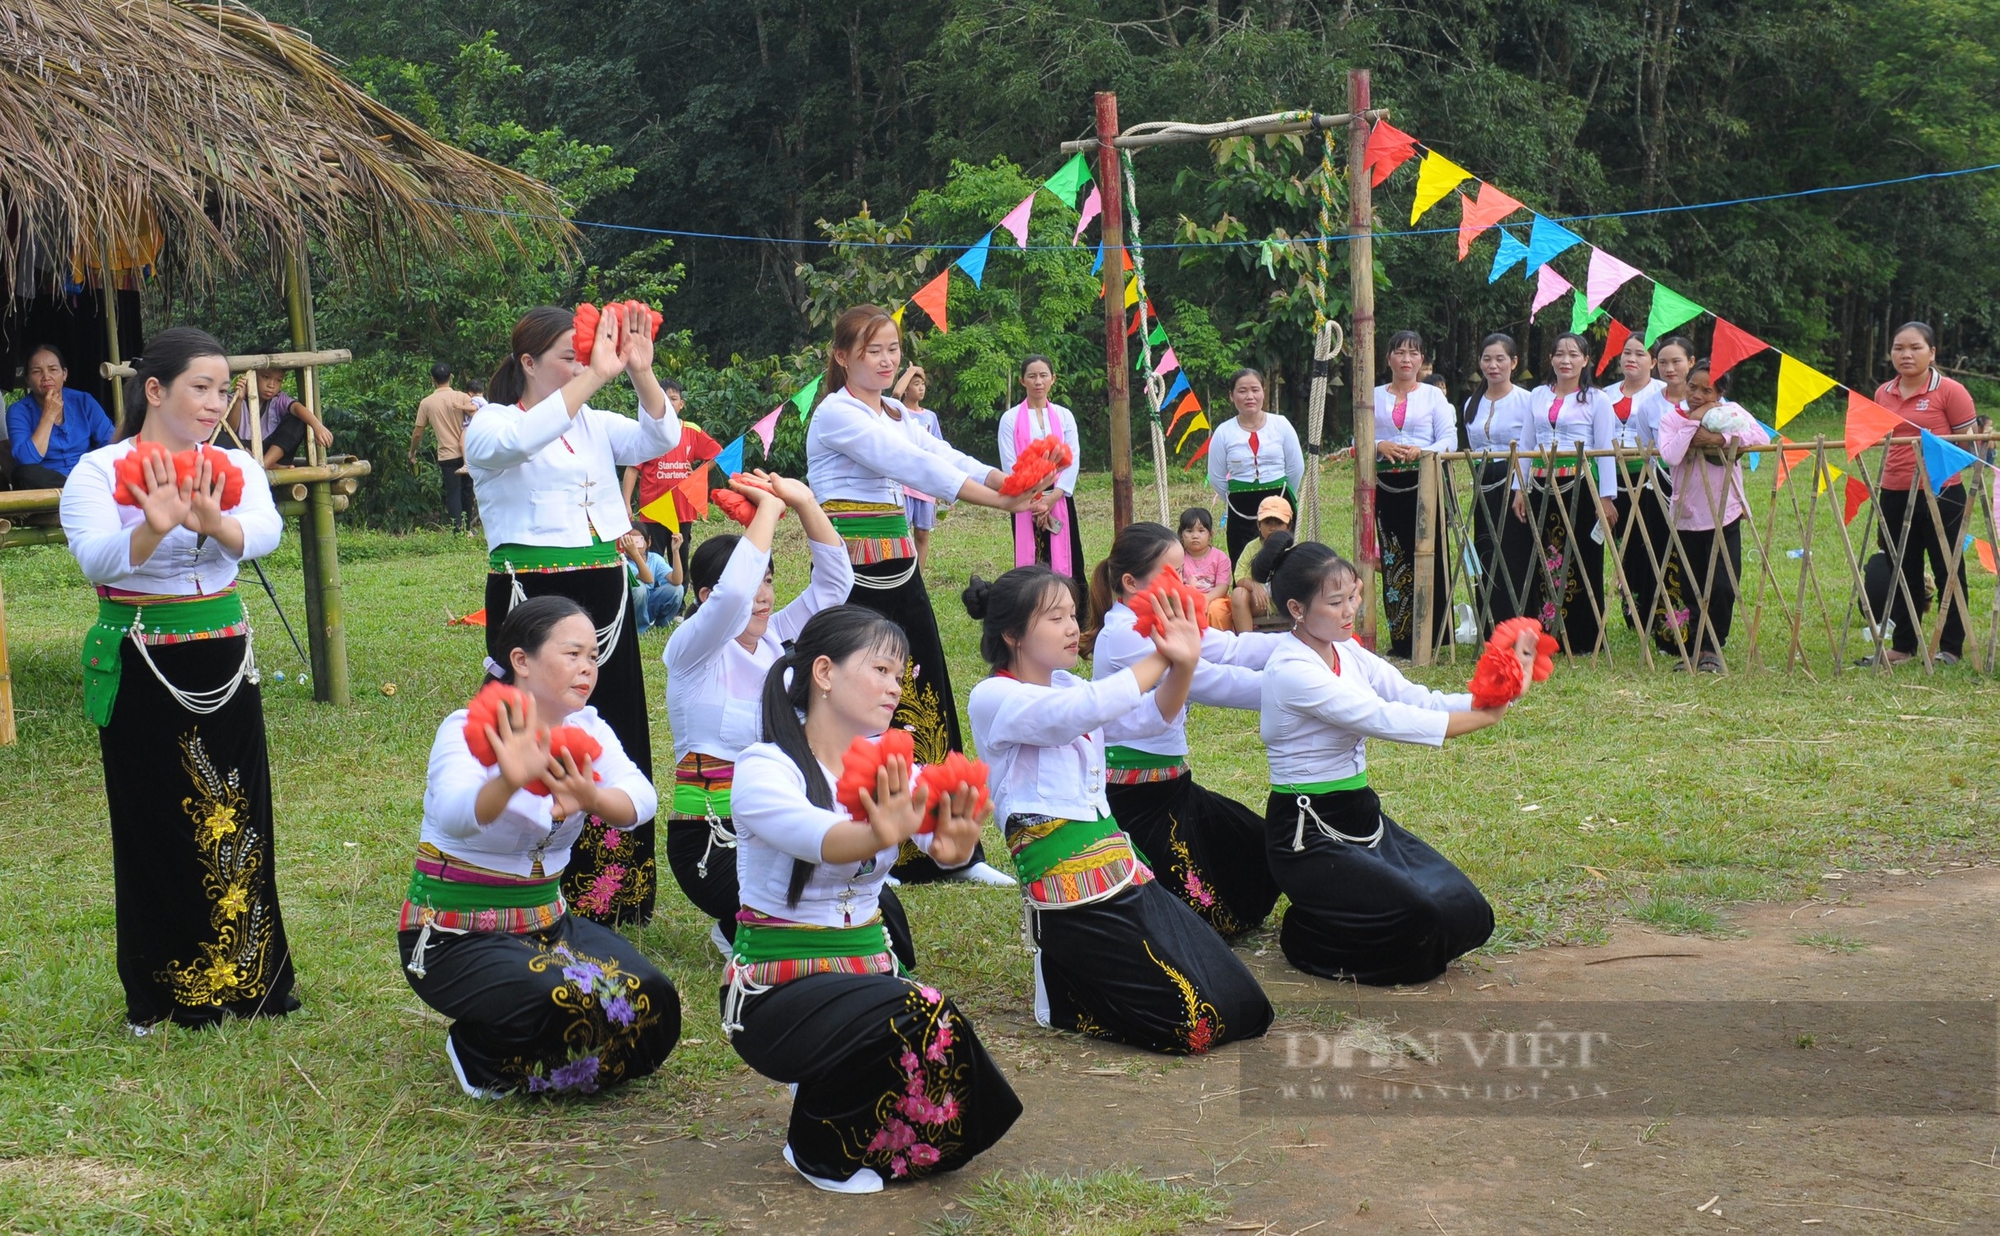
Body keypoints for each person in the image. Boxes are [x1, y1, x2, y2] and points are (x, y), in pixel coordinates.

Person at [724, 606, 1022, 1193]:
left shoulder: (891, 768)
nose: (896, 685)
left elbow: (942, 845)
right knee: (919, 1010)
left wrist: (957, 848)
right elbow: (822, 838)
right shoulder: (765, 768)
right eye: (882, 669)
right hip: (774, 993)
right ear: (825, 673)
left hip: (868, 976)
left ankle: (835, 1086)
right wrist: (881, 831)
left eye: (901, 672)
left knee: (934, 1038)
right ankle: (815, 1152)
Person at [58, 327, 299, 1032]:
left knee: (240, 816)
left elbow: (265, 531)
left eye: (223, 390)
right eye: (201, 386)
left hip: (222, 653)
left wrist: (216, 524)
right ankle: (167, 996)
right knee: (156, 820)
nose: (214, 402)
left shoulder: (233, 464)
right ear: (155, 390)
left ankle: (256, 982)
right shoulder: (99, 471)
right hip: (140, 653)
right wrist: (152, 527)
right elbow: (99, 560)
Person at [968, 567, 1273, 1053]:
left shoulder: (1067, 683)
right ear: (1012, 634)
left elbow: (1151, 718)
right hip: (1069, 895)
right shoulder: (993, 698)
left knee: (1242, 1002)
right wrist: (1161, 653)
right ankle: (1064, 996)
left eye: (1073, 614)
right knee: (1194, 1022)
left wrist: (1185, 665)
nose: (1072, 627)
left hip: (1124, 873)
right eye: (1055, 618)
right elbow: (1084, 711)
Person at [805, 304, 1047, 885]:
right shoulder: (836, 415)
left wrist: (1009, 480)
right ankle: (873, 845)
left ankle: (953, 849)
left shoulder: (893, 410)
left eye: (893, 349)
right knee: (863, 702)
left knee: (927, 692)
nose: (887, 361)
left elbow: (943, 454)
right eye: (873, 350)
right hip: (851, 573)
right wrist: (1003, 502)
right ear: (842, 357)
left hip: (898, 564)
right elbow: (909, 464)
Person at [401, 597, 680, 1098]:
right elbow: (457, 816)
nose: (587, 669)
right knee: (560, 997)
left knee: (652, 999)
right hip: (456, 934)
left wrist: (591, 795)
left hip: (547, 924)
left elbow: (643, 799)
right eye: (572, 654)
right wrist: (510, 781)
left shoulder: (590, 729)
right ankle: (475, 1051)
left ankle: (557, 1062)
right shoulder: (465, 728)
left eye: (593, 657)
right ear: (521, 660)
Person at [467, 303, 682, 925]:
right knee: (541, 725)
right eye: (570, 356)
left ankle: (616, 890)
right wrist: (595, 375)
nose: (586, 367)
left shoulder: (594, 420)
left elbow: (660, 439)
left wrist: (640, 372)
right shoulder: (491, 421)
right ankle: (529, 873)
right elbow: (522, 439)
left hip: (603, 586)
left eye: (585, 355)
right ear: (528, 362)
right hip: (531, 589)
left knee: (613, 720)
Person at [1256, 533, 1511, 984]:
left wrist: (1489, 695)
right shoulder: (1291, 669)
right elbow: (1382, 718)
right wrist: (1485, 718)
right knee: (1422, 918)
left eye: (1353, 596)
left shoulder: (1348, 651)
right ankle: (1306, 933)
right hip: (1307, 832)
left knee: (1469, 911)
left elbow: (1416, 697)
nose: (1351, 610)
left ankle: (1341, 917)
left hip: (1360, 816)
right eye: (1336, 602)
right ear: (1297, 610)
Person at [665, 472, 886, 957]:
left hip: (783, 822)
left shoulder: (779, 641)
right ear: (704, 598)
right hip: (711, 833)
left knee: (882, 913)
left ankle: (745, 923)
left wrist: (802, 500)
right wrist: (766, 508)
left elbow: (835, 583)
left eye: (769, 579)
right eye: (755, 579)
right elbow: (731, 598)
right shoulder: (692, 654)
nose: (763, 595)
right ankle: (738, 928)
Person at [1086, 522, 1286, 937]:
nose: (1186, 581)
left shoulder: (1164, 615)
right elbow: (1208, 681)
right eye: (1174, 572)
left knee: (1258, 844)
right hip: (1137, 796)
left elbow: (1229, 647)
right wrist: (1301, 688)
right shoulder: (1123, 634)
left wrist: (1303, 642)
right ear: (1130, 581)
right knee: (1197, 918)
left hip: (1174, 784)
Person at [1868, 321, 1979, 666]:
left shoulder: (1951, 392)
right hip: (1894, 490)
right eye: (1899, 348)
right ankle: (1903, 644)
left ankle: (1951, 647)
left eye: (1915, 348)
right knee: (1901, 567)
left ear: (1931, 353)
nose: (1906, 354)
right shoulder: (1882, 393)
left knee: (1948, 568)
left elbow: (1971, 444)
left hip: (1942, 492)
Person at [1655, 357, 1770, 672]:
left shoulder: (1733, 415)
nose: (1696, 395)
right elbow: (1671, 455)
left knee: (1721, 584)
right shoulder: (1672, 419)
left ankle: (1712, 648)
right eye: (1692, 387)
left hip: (1724, 512)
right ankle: (1694, 649)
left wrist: (1720, 438)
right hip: (1686, 515)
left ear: (1719, 394)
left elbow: (1761, 438)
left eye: (1706, 391)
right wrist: (1695, 422)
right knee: (1692, 585)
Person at [1512, 332, 1618, 654]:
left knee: (1583, 557)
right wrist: (1520, 488)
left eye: (1574, 354)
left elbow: (1604, 450)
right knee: (1546, 558)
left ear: (1586, 360)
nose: (1566, 360)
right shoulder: (1537, 397)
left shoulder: (1598, 400)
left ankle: (1585, 637)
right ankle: (1548, 631)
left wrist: (1606, 497)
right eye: (1559, 354)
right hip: (1542, 486)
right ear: (1551, 360)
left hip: (1581, 487)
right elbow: (1528, 445)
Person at [1373, 331, 1458, 659]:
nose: (1406, 359)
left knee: (1430, 554)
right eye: (1399, 352)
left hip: (1426, 482)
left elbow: (1449, 439)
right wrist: (1380, 446)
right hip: (1387, 486)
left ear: (1422, 360)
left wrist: (1421, 451)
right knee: (1394, 559)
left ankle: (1437, 636)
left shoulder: (1434, 397)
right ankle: (1402, 637)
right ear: (1388, 358)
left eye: (1413, 353)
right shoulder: (1374, 395)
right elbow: (1360, 437)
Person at [1604, 333, 1683, 651]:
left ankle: (1662, 616)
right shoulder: (1605, 394)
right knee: (1624, 549)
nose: (1631, 359)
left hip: (1650, 479)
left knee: (1651, 546)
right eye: (1626, 353)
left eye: (1639, 353)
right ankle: (1633, 613)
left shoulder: (1659, 396)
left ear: (1653, 362)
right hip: (1613, 476)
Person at [1463, 333, 1535, 628]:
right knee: (1486, 548)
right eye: (1487, 359)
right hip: (1483, 480)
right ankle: (1491, 623)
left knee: (1515, 550)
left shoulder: (1525, 400)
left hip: (1514, 479)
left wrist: (1522, 486)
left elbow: (1530, 445)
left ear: (1514, 362)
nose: (1493, 365)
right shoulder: (1471, 402)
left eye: (1500, 359)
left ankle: (1519, 621)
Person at [1206, 368, 1304, 569]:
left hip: (1279, 498)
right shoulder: (1223, 432)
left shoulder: (1281, 424)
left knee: (1283, 559)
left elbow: (1295, 467)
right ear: (1232, 396)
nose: (1249, 396)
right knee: (1243, 562)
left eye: (1255, 390)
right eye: (1242, 391)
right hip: (1239, 506)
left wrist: (1281, 496)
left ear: (1263, 392)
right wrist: (1235, 500)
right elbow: (1216, 476)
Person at [997, 355, 1084, 579]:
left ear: (1052, 379)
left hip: (1058, 495)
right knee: (1033, 557)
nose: (1038, 381)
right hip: (1025, 497)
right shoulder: (1010, 418)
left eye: (1043, 375)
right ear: (1022, 381)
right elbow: (1010, 464)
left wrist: (1053, 498)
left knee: (1068, 556)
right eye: (1032, 376)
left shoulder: (1065, 416)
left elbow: (1071, 458)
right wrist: (1035, 501)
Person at [623, 378, 719, 565]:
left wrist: (698, 473)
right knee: (654, 559)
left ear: (681, 404)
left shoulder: (692, 431)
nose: (669, 403)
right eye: (663, 399)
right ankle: (656, 593)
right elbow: (633, 468)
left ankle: (680, 593)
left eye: (673, 399)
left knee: (680, 560)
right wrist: (626, 502)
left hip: (682, 510)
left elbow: (717, 454)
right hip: (653, 510)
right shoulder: (647, 432)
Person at [9, 344, 115, 488]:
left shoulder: (84, 401)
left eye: (53, 369)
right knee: (23, 473)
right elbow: (26, 459)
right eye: (36, 371)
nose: (46, 377)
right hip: (49, 481)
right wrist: (48, 416)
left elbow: (111, 442)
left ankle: (79, 485)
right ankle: (75, 488)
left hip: (87, 474)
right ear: (27, 379)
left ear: (64, 374)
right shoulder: (18, 411)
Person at [411, 362, 480, 532]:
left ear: (432, 379)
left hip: (447, 455)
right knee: (467, 490)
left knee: (453, 492)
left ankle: (457, 531)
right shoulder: (464, 397)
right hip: (468, 453)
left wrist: (412, 452)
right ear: (451, 377)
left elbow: (418, 432)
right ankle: (467, 529)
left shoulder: (427, 403)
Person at [891, 366, 949, 570]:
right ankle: (904, 573)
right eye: (916, 384)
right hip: (904, 480)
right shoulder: (898, 411)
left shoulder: (930, 417)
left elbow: (938, 448)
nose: (921, 388)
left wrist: (943, 484)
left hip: (925, 482)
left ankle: (919, 576)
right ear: (907, 388)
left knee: (922, 532)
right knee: (903, 531)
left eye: (923, 384)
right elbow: (895, 393)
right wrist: (912, 370)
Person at [227, 367, 332, 470]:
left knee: (298, 419)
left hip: (273, 454)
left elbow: (296, 408)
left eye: (278, 380)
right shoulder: (233, 399)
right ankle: (264, 466)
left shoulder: (278, 399)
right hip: (243, 453)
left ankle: (264, 465)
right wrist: (239, 400)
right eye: (266, 377)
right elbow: (231, 428)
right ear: (249, 376)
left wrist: (317, 426)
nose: (271, 385)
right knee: (223, 437)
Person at [1223, 495, 1293, 632]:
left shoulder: (1292, 548)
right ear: (1258, 525)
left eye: (1279, 523)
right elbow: (1239, 575)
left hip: (1286, 604)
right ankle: (1246, 639)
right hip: (1261, 603)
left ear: (1288, 526)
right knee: (1238, 594)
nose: (1273, 528)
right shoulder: (1251, 547)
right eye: (1267, 523)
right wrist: (1254, 586)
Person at [619, 528, 683, 634]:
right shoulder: (624, 562)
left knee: (677, 589)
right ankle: (639, 628)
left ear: (648, 542)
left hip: (650, 602)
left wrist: (675, 551)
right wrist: (635, 554)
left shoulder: (654, 558)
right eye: (630, 541)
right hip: (633, 607)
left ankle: (661, 624)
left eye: (638, 541)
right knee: (639, 587)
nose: (634, 545)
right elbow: (648, 579)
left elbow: (677, 580)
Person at [1176, 507, 1232, 625]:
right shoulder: (1178, 557)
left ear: (1210, 535)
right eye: (1189, 531)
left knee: (1217, 610)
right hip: (1187, 598)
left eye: (1201, 531)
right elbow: (1175, 584)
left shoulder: (1220, 557)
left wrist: (1205, 599)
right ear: (1181, 535)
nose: (1195, 536)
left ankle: (1221, 641)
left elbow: (1222, 586)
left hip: (1214, 598)